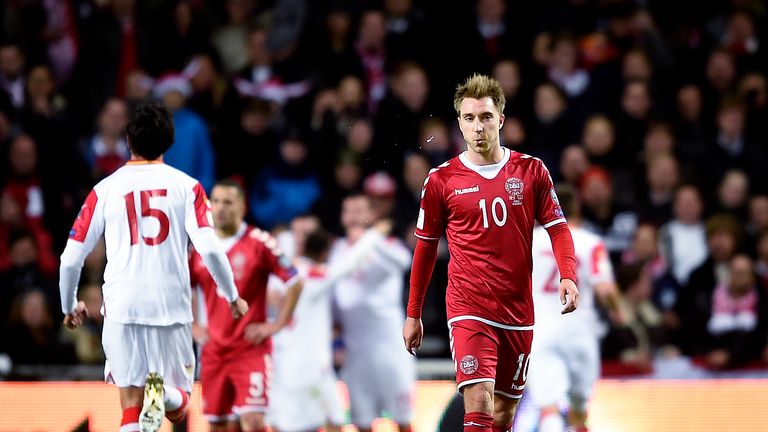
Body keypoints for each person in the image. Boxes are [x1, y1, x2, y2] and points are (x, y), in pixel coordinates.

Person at [403, 74, 579, 432]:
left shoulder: (531, 171)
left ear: (500, 119)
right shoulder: (442, 180)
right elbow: (424, 248)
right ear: (459, 123)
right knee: (479, 402)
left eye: (485, 117)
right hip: (469, 307)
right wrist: (413, 312)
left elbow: (558, 228)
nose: (478, 127)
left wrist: (568, 275)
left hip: (517, 310)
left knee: (503, 416)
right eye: (469, 118)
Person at [58, 103, 248, 432]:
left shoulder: (104, 189)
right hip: (170, 306)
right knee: (178, 407)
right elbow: (211, 249)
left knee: (129, 402)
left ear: (129, 141)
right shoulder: (189, 187)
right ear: (170, 143)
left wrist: (68, 305)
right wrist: (231, 295)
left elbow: (71, 258)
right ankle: (165, 395)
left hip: (122, 305)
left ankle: (153, 394)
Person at [189, 179, 303, 432]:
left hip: (250, 349)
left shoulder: (259, 242)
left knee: (253, 421)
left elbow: (294, 280)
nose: (220, 208)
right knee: (219, 425)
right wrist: (193, 324)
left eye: (227, 202)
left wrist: (277, 324)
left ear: (242, 206)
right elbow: (185, 284)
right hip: (214, 350)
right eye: (215, 202)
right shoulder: (200, 246)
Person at [528, 184, 622, 432]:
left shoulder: (530, 240)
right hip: (580, 331)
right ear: (578, 207)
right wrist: (618, 311)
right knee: (579, 411)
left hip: (541, 332)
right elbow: (605, 289)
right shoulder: (590, 242)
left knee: (549, 408)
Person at [330, 193, 415, 432]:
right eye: (349, 210)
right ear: (342, 217)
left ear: (371, 215)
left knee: (403, 419)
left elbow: (405, 261)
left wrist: (371, 238)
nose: (354, 216)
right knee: (362, 421)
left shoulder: (385, 245)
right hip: (355, 353)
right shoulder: (336, 250)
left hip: (390, 350)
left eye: (360, 210)